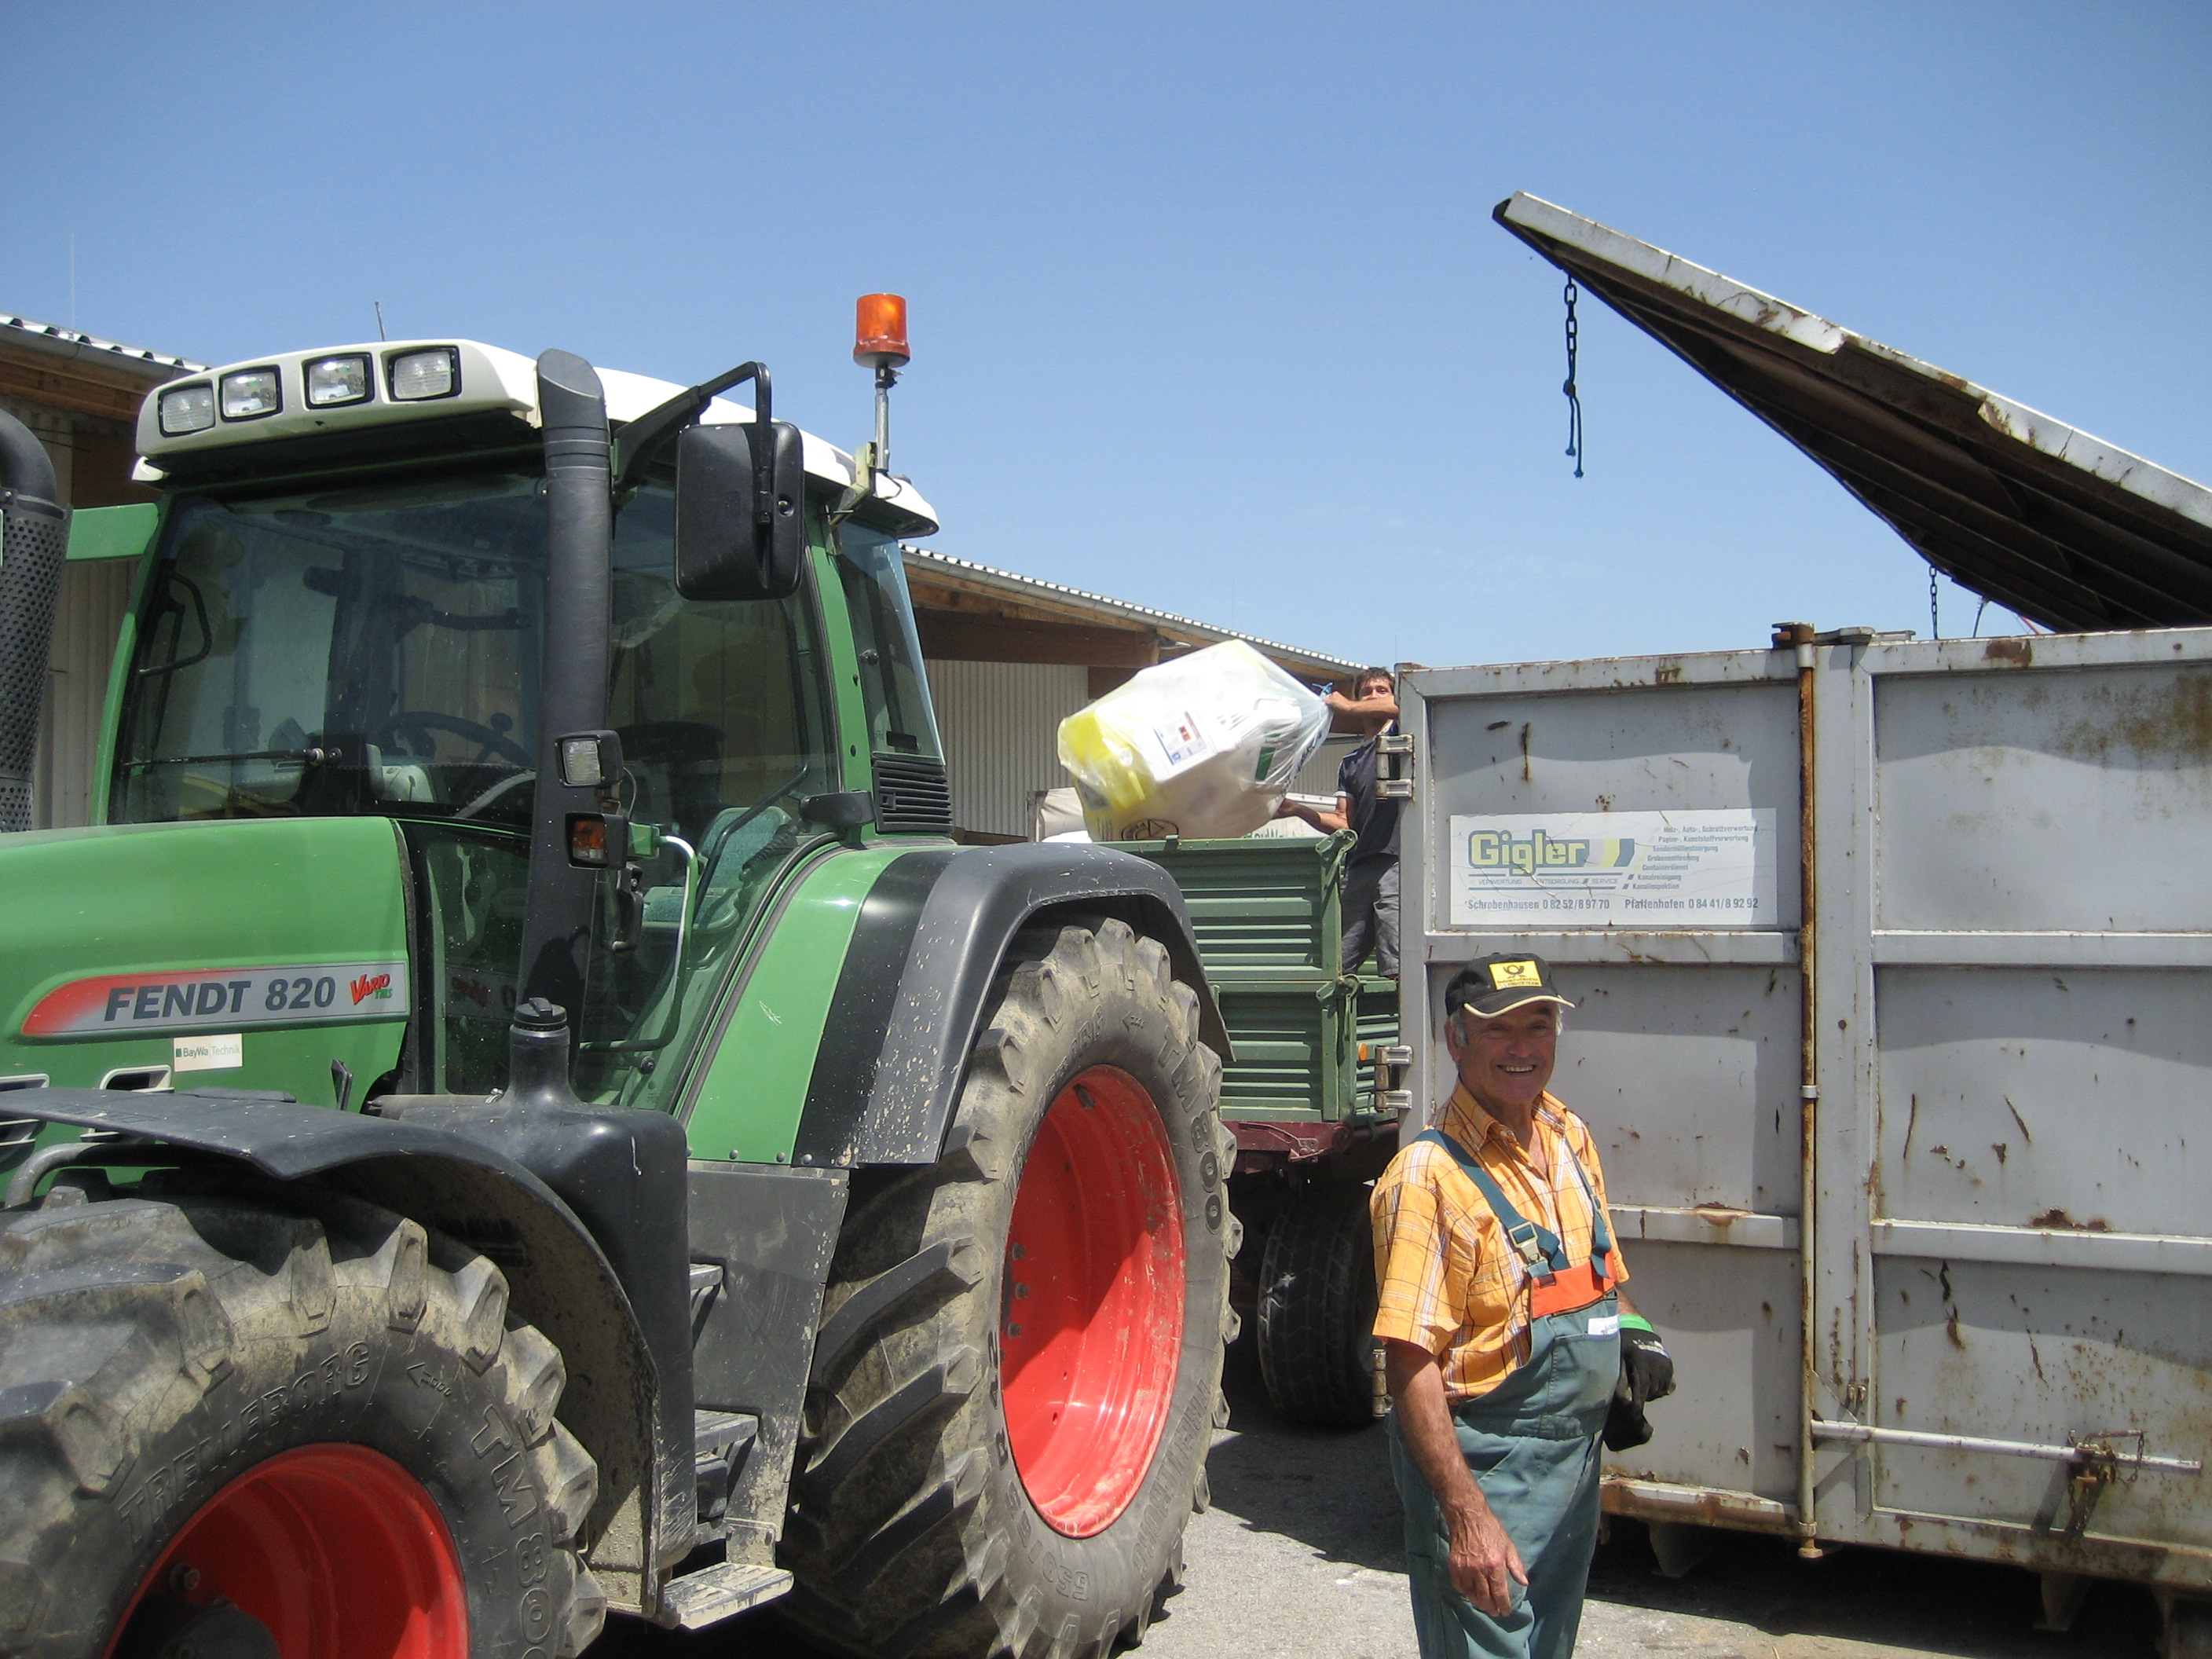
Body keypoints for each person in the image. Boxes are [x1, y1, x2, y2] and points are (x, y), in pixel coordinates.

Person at [1371, 954, 1675, 1659]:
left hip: (1572, 1474)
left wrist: (1633, 1330)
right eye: (1498, 1029)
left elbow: (1595, 1275)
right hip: (1487, 1477)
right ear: (1455, 1041)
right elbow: (1409, 1362)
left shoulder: (1567, 1135)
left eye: (1537, 1026)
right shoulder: (1428, 1177)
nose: (1523, 1047)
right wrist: (1467, 1518)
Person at [1276, 665, 1401, 976]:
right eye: (1366, 692)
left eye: (1381, 690)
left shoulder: (1403, 735)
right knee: (1338, 961)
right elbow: (1344, 822)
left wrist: (1347, 705)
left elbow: (1404, 707)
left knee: (1398, 962)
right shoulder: (1351, 762)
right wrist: (1298, 810)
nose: (1373, 696)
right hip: (1360, 867)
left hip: (1398, 863)